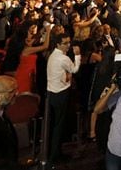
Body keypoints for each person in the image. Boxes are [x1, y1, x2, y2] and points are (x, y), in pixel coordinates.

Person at [46, 33, 81, 165]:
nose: (68, 46)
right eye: (65, 43)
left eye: (69, 42)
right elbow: (75, 69)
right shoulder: (62, 58)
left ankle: (54, 152)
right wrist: (77, 55)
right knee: (58, 126)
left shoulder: (53, 56)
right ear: (58, 44)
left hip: (52, 93)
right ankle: (55, 155)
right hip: (60, 94)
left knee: (55, 125)